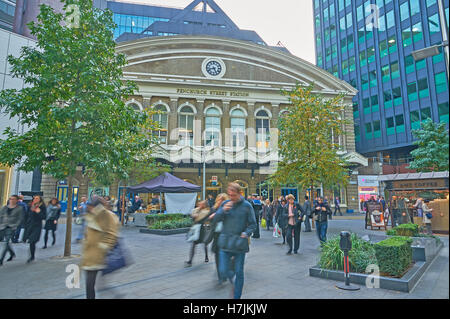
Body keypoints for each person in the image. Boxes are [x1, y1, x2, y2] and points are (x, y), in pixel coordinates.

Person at [212, 182, 256, 299]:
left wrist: (246, 233)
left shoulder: (247, 206)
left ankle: (236, 297)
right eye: (229, 195)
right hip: (225, 243)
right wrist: (222, 211)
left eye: (233, 195)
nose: (231, 197)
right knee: (223, 270)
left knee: (239, 272)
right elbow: (215, 219)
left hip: (239, 244)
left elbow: (253, 224)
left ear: (240, 194)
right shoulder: (226, 204)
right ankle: (232, 279)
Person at [80, 196, 120, 299]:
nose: (89, 208)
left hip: (100, 254)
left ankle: (115, 295)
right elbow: (88, 232)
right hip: (89, 254)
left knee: (91, 284)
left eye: (91, 206)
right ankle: (115, 295)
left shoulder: (107, 216)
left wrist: (104, 247)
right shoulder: (91, 215)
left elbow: (112, 234)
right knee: (95, 284)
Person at [208, 193, 229, 282]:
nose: (221, 201)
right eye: (220, 199)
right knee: (217, 255)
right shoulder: (214, 209)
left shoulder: (228, 209)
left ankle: (225, 272)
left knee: (225, 255)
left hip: (225, 235)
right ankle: (220, 275)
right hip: (216, 235)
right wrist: (212, 217)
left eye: (223, 200)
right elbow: (209, 219)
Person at [185, 200, 212, 267]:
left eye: (202, 204)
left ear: (205, 205)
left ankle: (206, 256)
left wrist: (197, 214)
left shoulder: (206, 211)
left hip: (202, 229)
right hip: (196, 228)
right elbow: (192, 217)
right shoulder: (196, 210)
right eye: (199, 204)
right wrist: (195, 214)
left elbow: (204, 218)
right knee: (194, 244)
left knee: (205, 244)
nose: (200, 205)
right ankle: (190, 261)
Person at [0, 195, 24, 265]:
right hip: (2, 226)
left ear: (17, 200)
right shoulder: (4, 207)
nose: (11, 200)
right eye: (10, 199)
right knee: (6, 243)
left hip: (11, 227)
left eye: (13, 199)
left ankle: (1, 259)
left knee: (6, 242)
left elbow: (20, 218)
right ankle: (12, 253)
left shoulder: (19, 208)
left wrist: (15, 225)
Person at [23, 195, 46, 263]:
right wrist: (25, 223)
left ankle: (32, 256)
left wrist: (38, 212)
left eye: (37, 198)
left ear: (40, 200)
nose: (35, 199)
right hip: (29, 225)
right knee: (28, 240)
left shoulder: (42, 207)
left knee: (32, 241)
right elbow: (26, 215)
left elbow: (44, 217)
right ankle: (32, 255)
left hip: (37, 226)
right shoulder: (30, 206)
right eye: (34, 198)